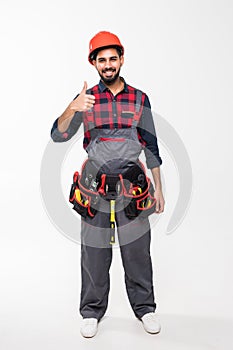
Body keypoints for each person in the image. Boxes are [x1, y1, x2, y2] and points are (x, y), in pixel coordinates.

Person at [51, 31, 165, 338]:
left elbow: (151, 145)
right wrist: (72, 108)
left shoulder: (140, 98)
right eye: (101, 59)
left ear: (122, 59)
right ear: (94, 63)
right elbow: (58, 135)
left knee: (138, 251)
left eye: (113, 58)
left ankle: (145, 308)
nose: (108, 64)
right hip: (94, 188)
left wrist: (160, 190)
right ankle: (91, 311)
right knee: (94, 252)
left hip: (133, 188)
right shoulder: (85, 100)